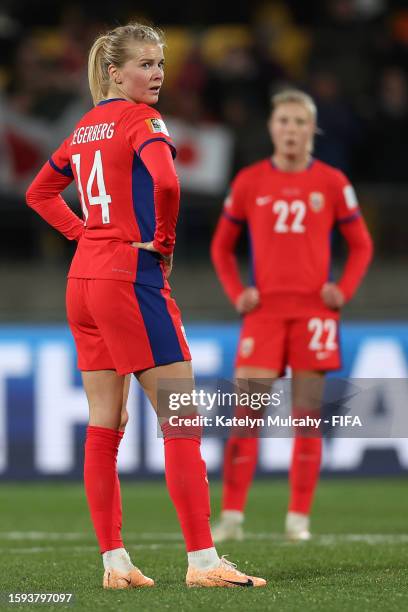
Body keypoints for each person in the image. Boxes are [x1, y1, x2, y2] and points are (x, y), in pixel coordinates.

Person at [26, 23, 266, 589]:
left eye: (160, 64)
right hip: (129, 279)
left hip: (82, 281)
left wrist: (85, 233)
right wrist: (162, 241)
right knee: (181, 417)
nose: (157, 74)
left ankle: (115, 565)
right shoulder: (141, 120)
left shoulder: (83, 126)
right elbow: (168, 182)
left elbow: (38, 192)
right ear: (115, 72)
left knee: (105, 423)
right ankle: (204, 563)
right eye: (145, 65)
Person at [210, 89, 373, 542]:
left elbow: (362, 244)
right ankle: (232, 518)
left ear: (312, 130)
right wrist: (236, 291)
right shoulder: (248, 182)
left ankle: (298, 518)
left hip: (314, 313)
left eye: (300, 122)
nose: (291, 130)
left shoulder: (333, 182)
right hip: (264, 312)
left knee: (308, 417)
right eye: (284, 121)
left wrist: (343, 289)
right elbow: (221, 247)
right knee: (247, 415)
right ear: (271, 127)